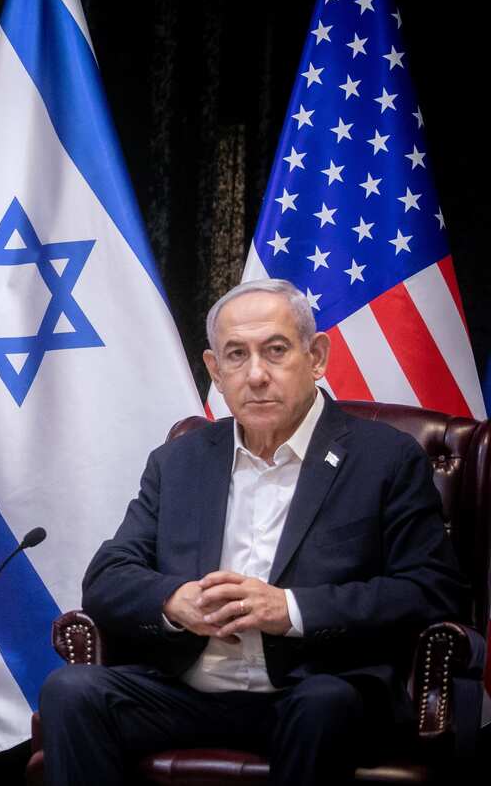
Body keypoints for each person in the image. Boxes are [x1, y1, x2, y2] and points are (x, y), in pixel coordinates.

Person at [38, 278, 467, 785]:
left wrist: (289, 610)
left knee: (323, 703)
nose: (257, 375)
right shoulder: (179, 462)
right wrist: (174, 602)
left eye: (276, 350)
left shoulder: (385, 459)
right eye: (237, 355)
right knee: (70, 692)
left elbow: (429, 590)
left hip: (315, 690)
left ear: (317, 357)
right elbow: (108, 577)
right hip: (188, 691)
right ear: (215, 371)